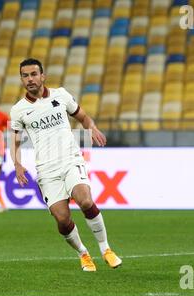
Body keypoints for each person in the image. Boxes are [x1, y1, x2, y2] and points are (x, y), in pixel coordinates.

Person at [10, 58, 122, 271]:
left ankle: (106, 249)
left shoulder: (60, 95)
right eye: (25, 75)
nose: (30, 79)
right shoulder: (18, 110)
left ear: (43, 76)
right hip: (46, 170)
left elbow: (83, 116)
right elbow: (14, 141)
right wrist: (17, 164)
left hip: (70, 160)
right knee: (62, 219)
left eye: (34, 74)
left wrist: (92, 128)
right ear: (22, 79)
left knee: (86, 201)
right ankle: (83, 253)